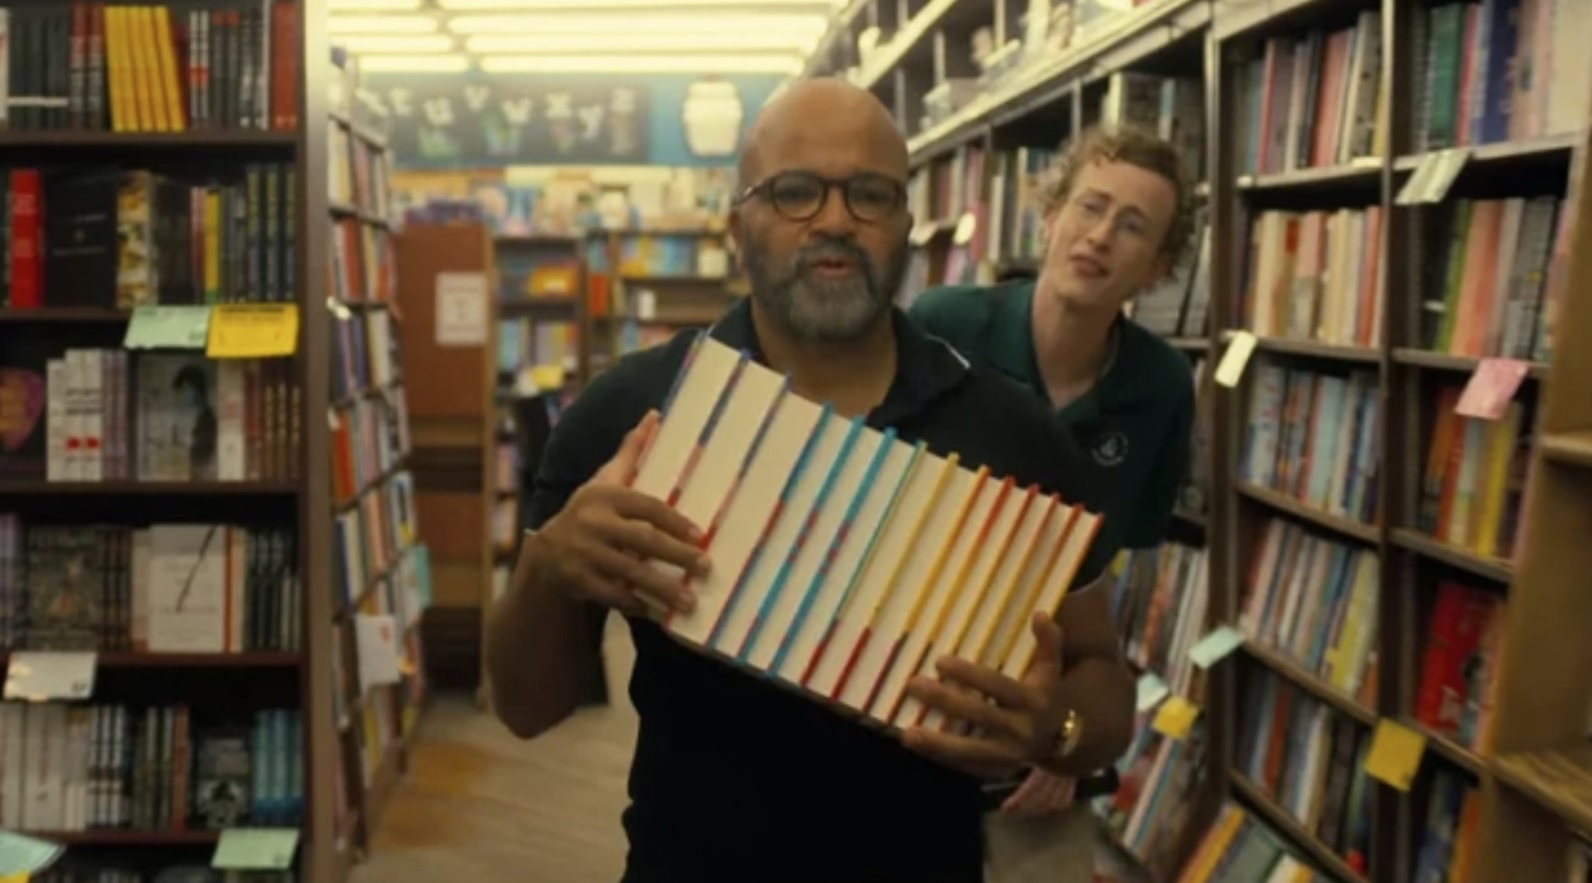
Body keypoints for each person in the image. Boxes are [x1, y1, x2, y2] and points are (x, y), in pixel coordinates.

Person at [486, 78, 1136, 883]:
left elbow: (1104, 684)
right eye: (794, 192)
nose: (834, 220)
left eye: (870, 194)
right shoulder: (632, 414)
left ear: (905, 226)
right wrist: (548, 568)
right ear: (737, 228)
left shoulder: (1012, 432)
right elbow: (525, 708)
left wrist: (1055, 729)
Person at [907, 125, 1199, 877]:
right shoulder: (942, 324)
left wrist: (1067, 734)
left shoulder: (1162, 386)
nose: (1100, 236)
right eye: (1090, 207)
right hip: (904, 673)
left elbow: (1117, 582)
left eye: (1132, 226)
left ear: (1157, 267)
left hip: (1042, 720)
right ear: (1049, 217)